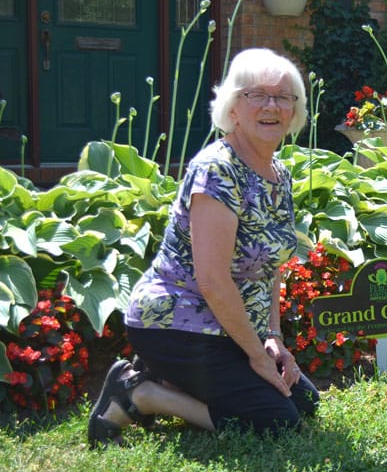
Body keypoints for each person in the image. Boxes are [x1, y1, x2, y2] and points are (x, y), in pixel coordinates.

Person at [88, 48, 318, 447]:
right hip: (175, 323)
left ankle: (163, 375)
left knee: (305, 402)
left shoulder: (278, 173)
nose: (271, 106)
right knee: (278, 421)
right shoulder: (217, 170)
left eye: (283, 97)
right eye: (256, 95)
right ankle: (141, 394)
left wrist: (272, 338)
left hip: (226, 326)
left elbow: (270, 266)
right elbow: (212, 281)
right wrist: (258, 359)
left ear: (294, 111)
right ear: (233, 107)